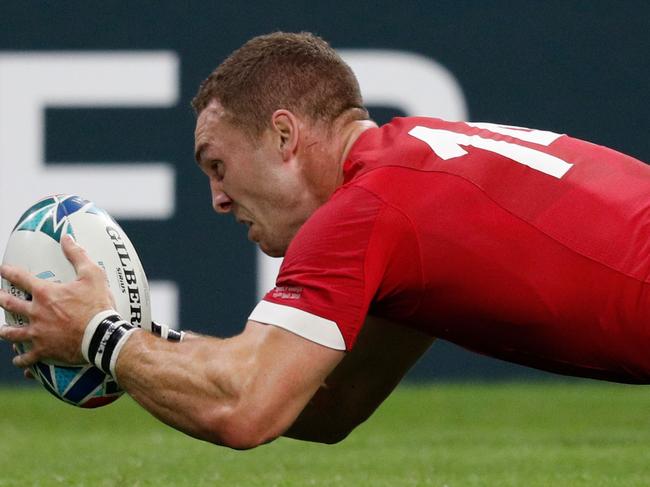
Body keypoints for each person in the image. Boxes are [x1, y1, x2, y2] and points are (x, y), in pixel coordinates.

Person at [2, 31, 650, 449]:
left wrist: (102, 336)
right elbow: (332, 401)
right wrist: (153, 345)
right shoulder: (407, 175)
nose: (217, 199)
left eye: (218, 165)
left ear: (284, 137)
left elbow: (245, 408)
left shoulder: (362, 211)